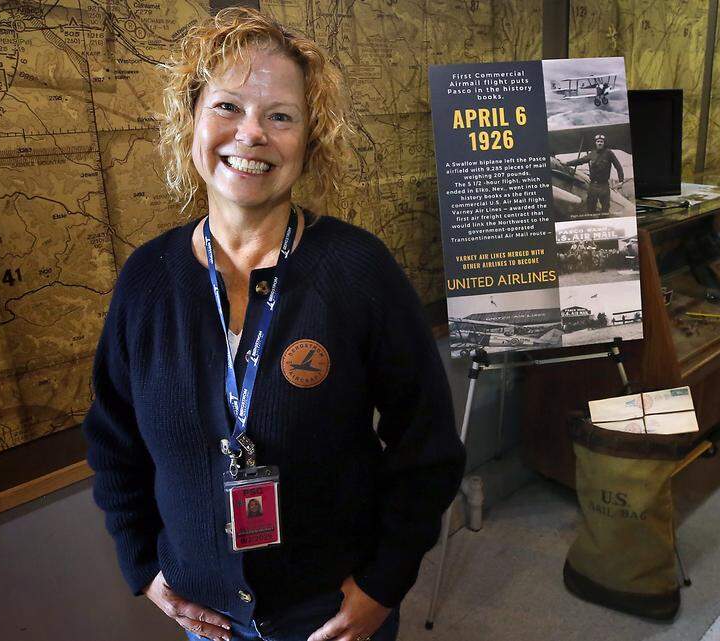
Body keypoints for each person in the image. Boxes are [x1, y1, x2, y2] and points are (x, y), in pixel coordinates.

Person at [82, 8, 465, 641]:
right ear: (192, 122)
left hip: (331, 614)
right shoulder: (147, 280)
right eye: (227, 107)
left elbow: (427, 447)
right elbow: (113, 442)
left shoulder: (358, 270)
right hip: (201, 617)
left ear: (310, 140)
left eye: (280, 116)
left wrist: (382, 586)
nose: (251, 133)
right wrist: (144, 567)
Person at [565, 133, 625, 215]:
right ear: (595, 143)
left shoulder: (609, 153)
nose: (600, 143)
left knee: (605, 209)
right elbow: (580, 161)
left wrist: (621, 180)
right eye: (598, 141)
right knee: (590, 208)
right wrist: (567, 163)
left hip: (604, 186)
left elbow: (618, 167)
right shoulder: (592, 154)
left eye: (601, 141)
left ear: (604, 143)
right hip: (593, 185)